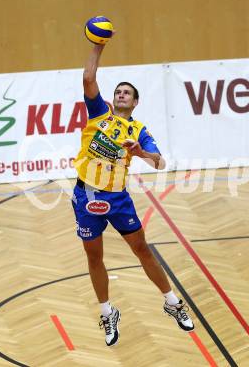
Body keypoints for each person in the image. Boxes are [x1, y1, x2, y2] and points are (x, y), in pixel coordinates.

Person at [71, 38, 194, 347]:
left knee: (142, 249)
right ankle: (107, 311)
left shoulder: (139, 130)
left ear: (135, 102)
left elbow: (160, 162)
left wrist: (140, 152)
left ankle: (172, 302)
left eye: (127, 92)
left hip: (117, 198)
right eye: (118, 91)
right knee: (93, 255)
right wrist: (98, 45)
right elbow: (88, 78)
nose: (121, 94)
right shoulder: (100, 114)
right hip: (86, 195)